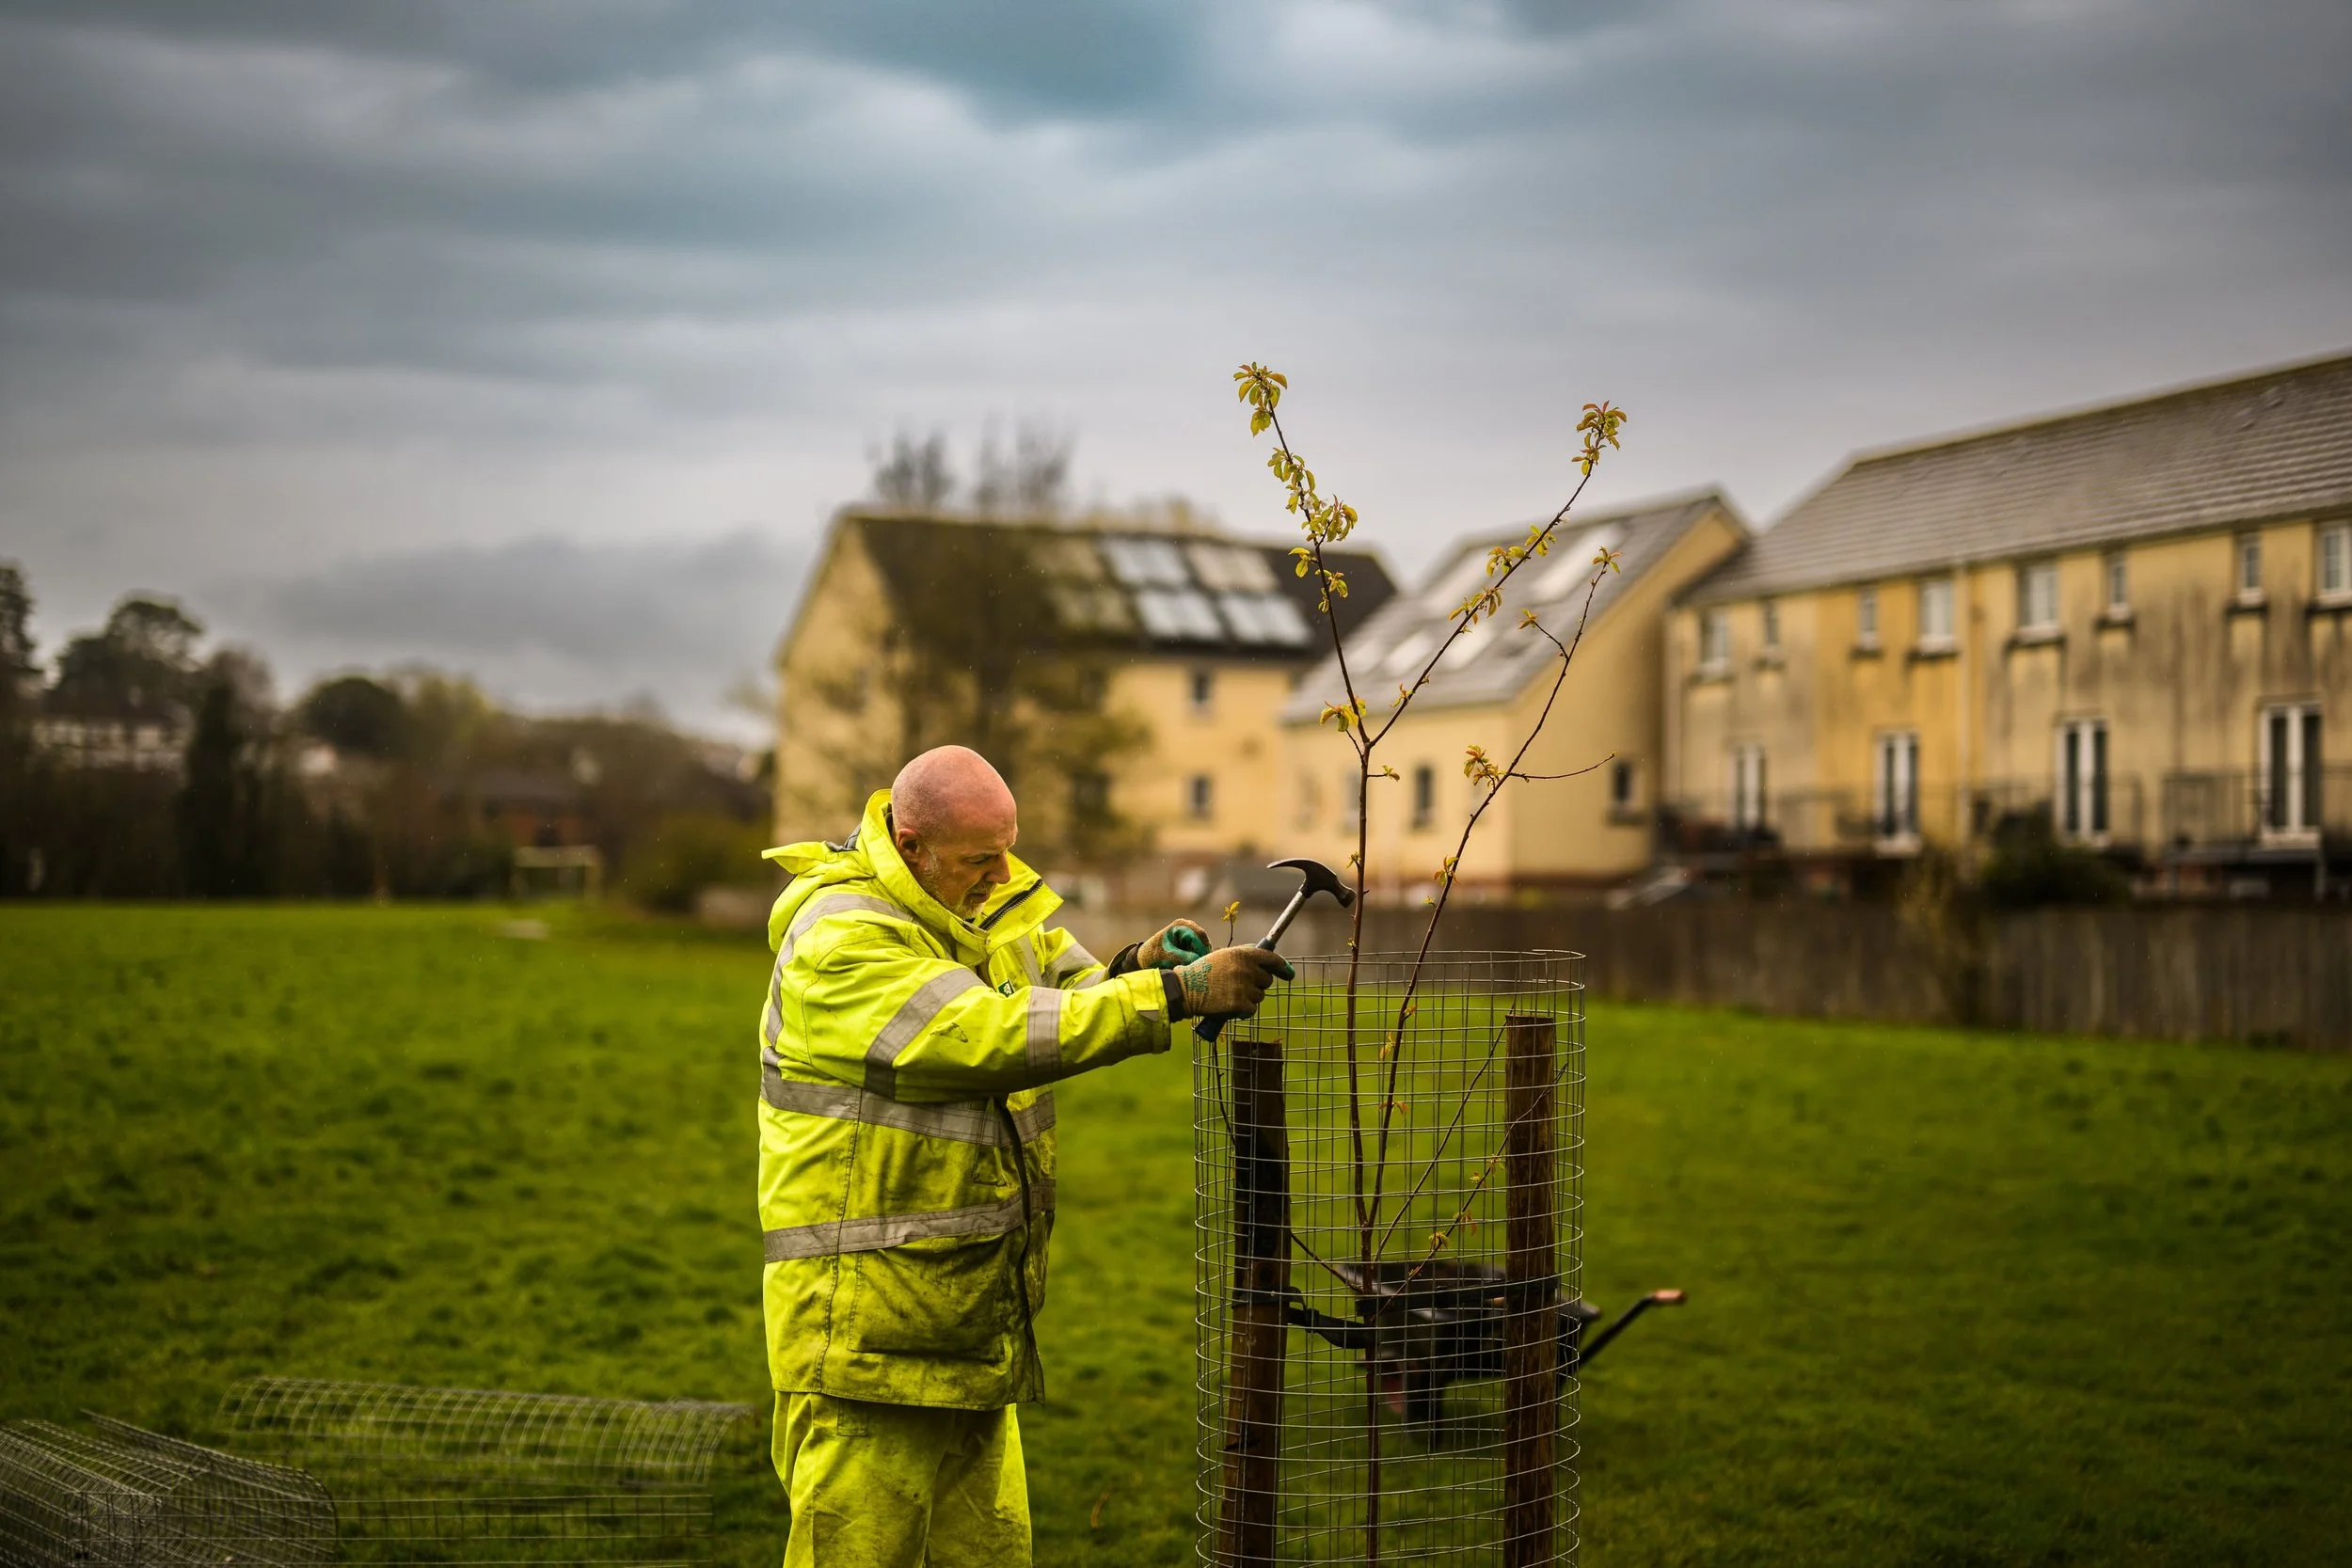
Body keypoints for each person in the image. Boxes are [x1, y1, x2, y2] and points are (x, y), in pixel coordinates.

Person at [755, 744, 1290, 1565]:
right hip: (862, 1342)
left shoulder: (976, 906)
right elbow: (987, 1034)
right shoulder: (841, 940)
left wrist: (1136, 966)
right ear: (910, 844)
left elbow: (1057, 993)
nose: (1004, 874)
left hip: (964, 1322)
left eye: (1007, 848)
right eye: (981, 857)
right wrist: (1177, 994)